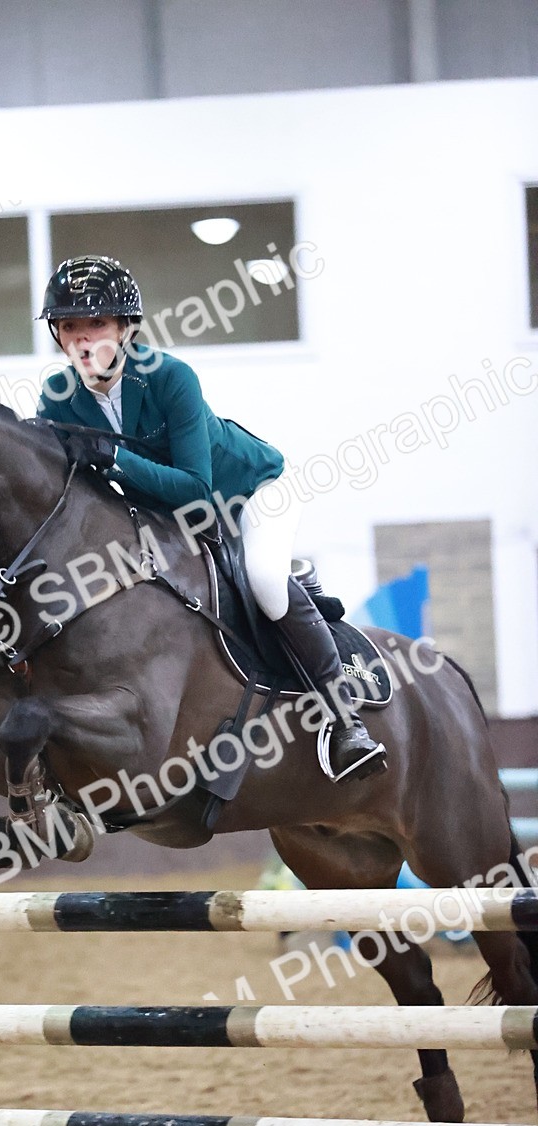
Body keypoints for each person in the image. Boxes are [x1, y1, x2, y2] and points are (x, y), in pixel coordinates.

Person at [36, 255, 386, 784]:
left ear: (126, 329)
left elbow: (197, 489)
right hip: (167, 516)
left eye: (97, 325)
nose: (84, 341)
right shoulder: (59, 398)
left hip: (249, 493)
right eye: (70, 328)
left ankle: (346, 719)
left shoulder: (171, 376)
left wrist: (113, 459)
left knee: (265, 580)